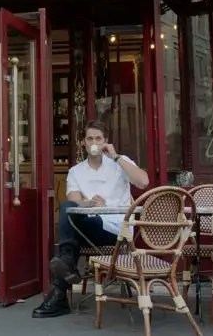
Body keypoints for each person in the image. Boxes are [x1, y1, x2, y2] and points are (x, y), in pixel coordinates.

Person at [32, 120, 150, 318]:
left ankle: (62, 285)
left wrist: (115, 156)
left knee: (71, 231)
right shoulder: (76, 171)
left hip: (116, 231)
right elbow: (74, 203)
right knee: (68, 209)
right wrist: (89, 203)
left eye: (98, 138)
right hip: (87, 228)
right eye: (90, 138)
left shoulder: (120, 163)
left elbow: (143, 181)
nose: (94, 142)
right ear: (83, 143)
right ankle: (68, 265)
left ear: (105, 141)